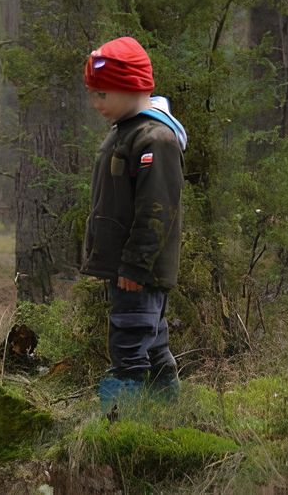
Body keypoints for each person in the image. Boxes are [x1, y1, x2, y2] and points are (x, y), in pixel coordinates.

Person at [80, 36, 187, 410]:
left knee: (128, 343)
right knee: (151, 339)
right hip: (129, 267)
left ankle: (120, 422)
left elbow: (157, 209)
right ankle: (165, 413)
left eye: (103, 95)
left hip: (139, 269)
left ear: (130, 87)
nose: (96, 104)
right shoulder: (127, 131)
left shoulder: (155, 138)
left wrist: (135, 264)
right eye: (93, 94)